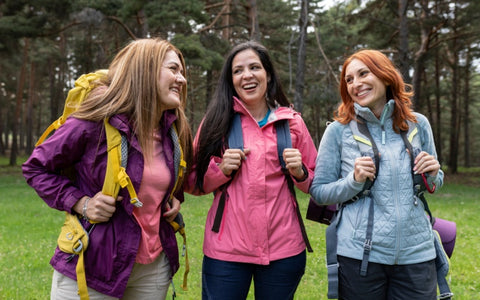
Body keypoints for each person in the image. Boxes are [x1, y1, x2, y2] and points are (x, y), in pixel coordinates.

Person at [22, 38, 193, 299]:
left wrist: (172, 200)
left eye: (182, 71)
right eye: (173, 69)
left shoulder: (173, 128)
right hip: (93, 266)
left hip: (153, 267)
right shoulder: (95, 121)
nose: (181, 79)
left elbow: (168, 179)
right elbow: (36, 168)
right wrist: (81, 203)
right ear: (144, 71)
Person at [187, 41, 317, 300]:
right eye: (238, 70)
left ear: (268, 75)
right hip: (226, 253)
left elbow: (317, 184)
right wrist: (220, 170)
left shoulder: (293, 123)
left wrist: (300, 172)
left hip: (284, 251)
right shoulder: (215, 123)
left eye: (254, 67)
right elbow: (191, 182)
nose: (246, 75)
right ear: (231, 80)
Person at [310, 49, 443, 300]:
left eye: (363, 74)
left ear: (385, 76)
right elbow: (319, 192)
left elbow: (435, 181)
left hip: (417, 255)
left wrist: (434, 173)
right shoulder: (338, 131)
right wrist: (354, 181)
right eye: (349, 80)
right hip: (359, 258)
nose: (356, 84)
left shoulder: (418, 124)